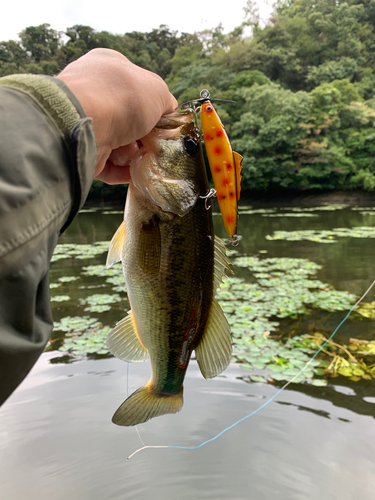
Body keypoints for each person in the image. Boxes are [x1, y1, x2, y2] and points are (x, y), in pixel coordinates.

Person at [0, 48, 178, 406]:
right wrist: (79, 121)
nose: (180, 144)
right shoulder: (162, 208)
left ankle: (166, 386)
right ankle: (168, 383)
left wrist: (77, 109)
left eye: (186, 148)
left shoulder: (164, 209)